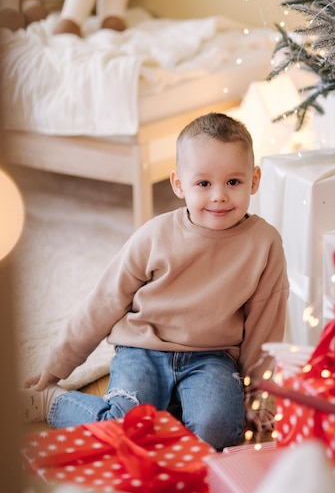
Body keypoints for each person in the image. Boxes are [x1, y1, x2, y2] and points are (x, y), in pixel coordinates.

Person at [21, 112, 289, 451]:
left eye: (233, 182)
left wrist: (256, 396)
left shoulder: (265, 243)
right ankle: (54, 403)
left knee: (220, 432)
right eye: (203, 184)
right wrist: (58, 364)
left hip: (213, 357)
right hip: (143, 350)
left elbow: (265, 324)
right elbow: (105, 300)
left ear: (254, 180)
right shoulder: (154, 235)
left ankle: (169, 415)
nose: (219, 196)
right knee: (123, 427)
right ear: (179, 185)